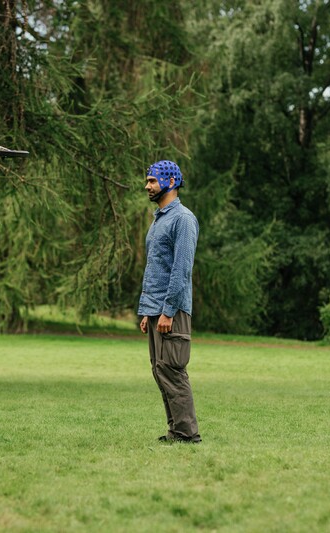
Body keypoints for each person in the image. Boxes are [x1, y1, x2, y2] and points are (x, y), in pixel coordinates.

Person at [138, 160, 201, 443]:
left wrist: (167, 311)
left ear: (171, 182)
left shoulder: (183, 219)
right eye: (148, 181)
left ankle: (188, 435)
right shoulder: (160, 219)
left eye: (152, 180)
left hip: (171, 312)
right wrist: (148, 312)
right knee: (160, 371)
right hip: (157, 310)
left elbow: (181, 269)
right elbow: (156, 268)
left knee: (173, 372)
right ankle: (175, 431)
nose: (147, 185)